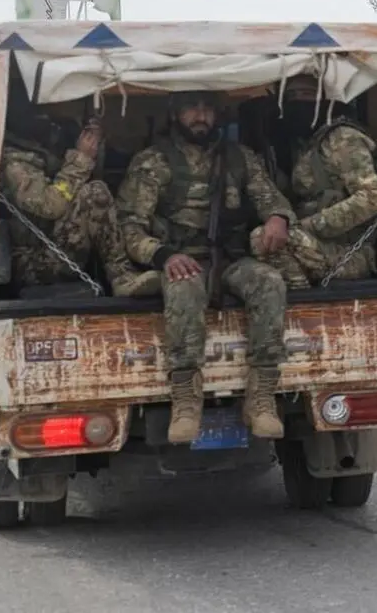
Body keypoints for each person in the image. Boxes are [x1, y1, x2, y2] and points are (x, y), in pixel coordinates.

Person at [117, 90, 296, 444]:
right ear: (175, 113)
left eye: (207, 109)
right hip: (180, 259)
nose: (200, 116)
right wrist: (164, 255)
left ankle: (260, 398)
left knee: (270, 281)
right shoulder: (153, 162)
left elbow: (271, 198)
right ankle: (186, 399)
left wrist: (278, 219)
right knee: (185, 286)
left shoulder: (239, 158)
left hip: (228, 258)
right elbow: (130, 227)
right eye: (192, 107)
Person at [253, 74, 377, 288]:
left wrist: (309, 226)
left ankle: (302, 299)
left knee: (264, 238)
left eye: (307, 94)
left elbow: (374, 197)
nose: (299, 102)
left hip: (353, 254)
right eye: (292, 96)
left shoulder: (342, 138)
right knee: (264, 238)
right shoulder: (302, 144)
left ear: (324, 100)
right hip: (319, 247)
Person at [0, 107, 161, 297]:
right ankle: (120, 275)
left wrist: (93, 146)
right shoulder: (13, 164)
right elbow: (51, 206)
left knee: (93, 191)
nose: (48, 121)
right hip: (31, 264)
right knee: (94, 192)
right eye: (41, 114)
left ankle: (122, 276)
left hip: (55, 249)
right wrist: (82, 158)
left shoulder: (42, 150)